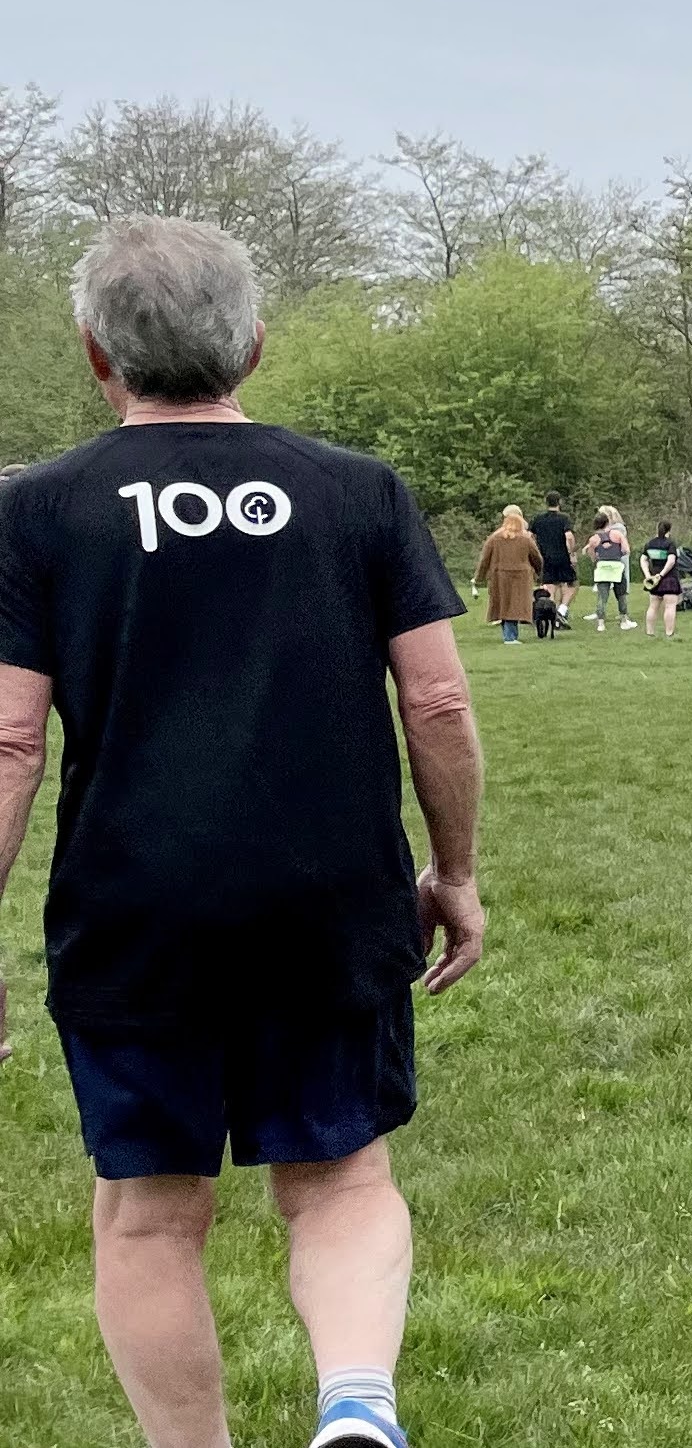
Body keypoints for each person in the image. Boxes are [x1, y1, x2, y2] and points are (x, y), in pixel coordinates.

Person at [0, 216, 486, 1448]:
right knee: (342, 1178)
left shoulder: (39, 510)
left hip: (135, 907)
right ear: (254, 344)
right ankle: (357, 1405)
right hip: (330, 897)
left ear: (95, 353)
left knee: (151, 1213)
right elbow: (436, 699)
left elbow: (8, 741)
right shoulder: (358, 491)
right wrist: (456, 869)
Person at [475, 507, 538, 644]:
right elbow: (536, 557)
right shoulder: (526, 538)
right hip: (521, 577)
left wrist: (479, 577)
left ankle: (509, 635)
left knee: (504, 604)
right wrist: (539, 572)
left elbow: (485, 558)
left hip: (499, 576)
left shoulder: (494, 538)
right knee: (514, 605)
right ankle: (510, 637)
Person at [526, 498, 574, 634]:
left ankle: (551, 611)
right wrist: (571, 551)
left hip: (544, 556)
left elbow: (529, 536)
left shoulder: (538, 519)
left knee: (549, 585)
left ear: (546, 502)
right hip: (562, 556)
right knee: (569, 584)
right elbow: (569, 536)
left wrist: (535, 550)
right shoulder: (564, 518)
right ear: (559, 502)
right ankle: (561, 611)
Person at [583, 506, 632, 631]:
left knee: (602, 596)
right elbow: (626, 550)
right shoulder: (617, 534)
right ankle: (623, 620)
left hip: (602, 567)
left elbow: (591, 553)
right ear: (607, 522)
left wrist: (597, 559)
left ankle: (601, 623)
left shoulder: (594, 539)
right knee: (621, 595)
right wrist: (618, 554)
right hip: (616, 566)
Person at [641, 522, 684, 640]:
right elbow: (671, 561)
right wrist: (661, 575)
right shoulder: (670, 543)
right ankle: (669, 633)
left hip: (653, 580)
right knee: (670, 606)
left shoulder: (650, 543)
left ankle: (650, 632)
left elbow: (643, 559)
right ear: (669, 530)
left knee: (653, 606)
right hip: (669, 579)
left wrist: (648, 575)